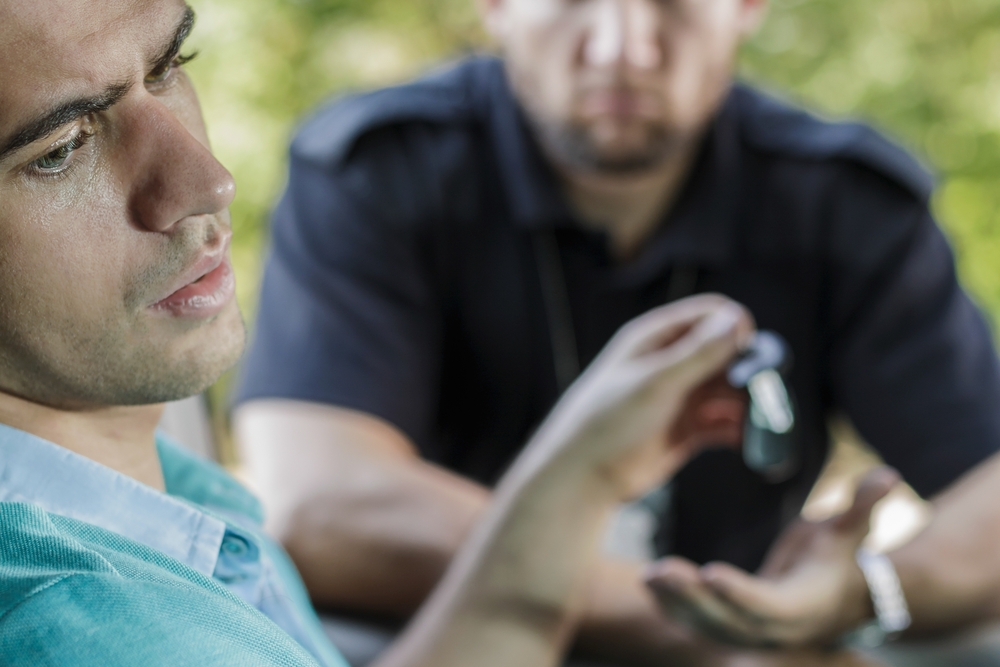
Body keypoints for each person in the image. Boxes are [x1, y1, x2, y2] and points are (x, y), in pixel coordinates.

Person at [0, 1, 868, 666]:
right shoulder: (94, 628)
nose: (208, 180)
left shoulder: (154, 489)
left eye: (169, 64)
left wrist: (581, 473)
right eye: (61, 148)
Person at [233, 0, 1000, 661]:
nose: (623, 48)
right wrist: (696, 625)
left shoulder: (845, 200)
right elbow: (319, 503)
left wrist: (857, 595)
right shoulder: (377, 170)